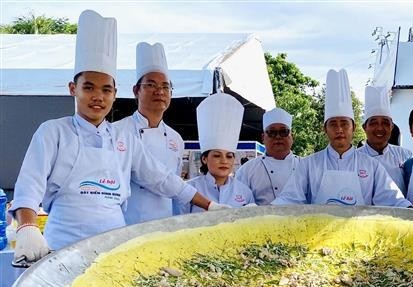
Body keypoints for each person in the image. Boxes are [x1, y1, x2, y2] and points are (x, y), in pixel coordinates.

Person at [10, 10, 216, 265]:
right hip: (62, 248)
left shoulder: (124, 138)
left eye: (106, 89)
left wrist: (210, 206)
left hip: (113, 250)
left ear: (115, 94)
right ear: (73, 89)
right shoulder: (53, 132)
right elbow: (29, 185)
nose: (98, 96)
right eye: (89, 87)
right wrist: (27, 227)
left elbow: (163, 179)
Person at [272, 69, 411, 207]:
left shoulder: (371, 165)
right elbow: (289, 198)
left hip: (359, 228)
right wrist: (266, 211)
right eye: (333, 124)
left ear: (354, 128)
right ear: (324, 129)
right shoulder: (308, 165)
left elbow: (392, 198)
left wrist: (412, 209)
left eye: (344, 123)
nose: (339, 130)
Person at [114, 42, 184, 225]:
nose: (160, 91)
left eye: (166, 86)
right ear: (136, 91)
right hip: (124, 225)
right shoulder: (117, 131)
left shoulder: (176, 139)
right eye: (151, 85)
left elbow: (175, 187)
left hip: (164, 226)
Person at [178, 92, 255, 213]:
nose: (224, 161)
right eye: (217, 155)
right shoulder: (190, 189)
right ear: (204, 158)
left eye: (229, 156)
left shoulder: (245, 192)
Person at [235, 108, 299, 205]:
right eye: (271, 132)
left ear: (292, 137)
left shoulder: (305, 166)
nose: (278, 137)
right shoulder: (247, 170)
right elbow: (240, 203)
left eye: (283, 132)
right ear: (263, 138)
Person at [356, 85, 413, 195]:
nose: (380, 128)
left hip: (400, 211)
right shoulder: (354, 158)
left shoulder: (406, 156)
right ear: (364, 127)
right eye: (373, 123)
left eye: (385, 123)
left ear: (391, 127)